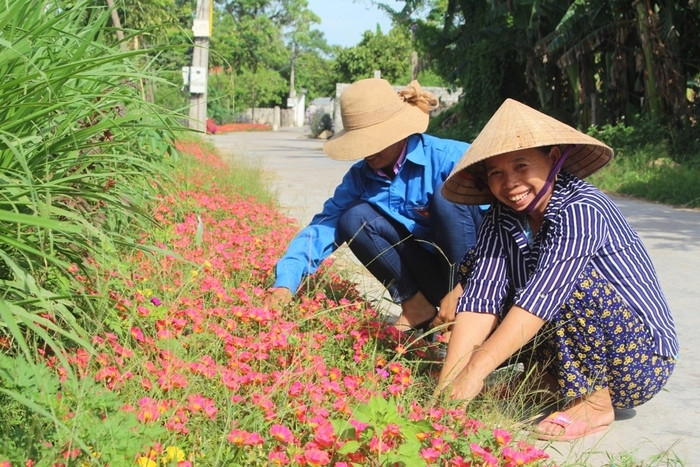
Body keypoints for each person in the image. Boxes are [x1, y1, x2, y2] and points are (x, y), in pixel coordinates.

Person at [435, 98, 678, 441]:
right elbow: (481, 299)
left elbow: (543, 297)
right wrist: (447, 389)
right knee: (478, 271)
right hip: (563, 346)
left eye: (521, 166)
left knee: (566, 283)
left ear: (552, 160)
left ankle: (594, 402)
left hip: (636, 360)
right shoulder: (500, 217)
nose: (511, 184)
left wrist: (475, 371)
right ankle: (548, 380)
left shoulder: (582, 208)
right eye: (497, 174)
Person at [263, 78, 487, 332]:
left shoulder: (451, 158)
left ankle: (465, 316)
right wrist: (285, 282)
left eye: (373, 139)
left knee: (447, 197)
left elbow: (502, 227)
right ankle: (417, 308)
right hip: (433, 277)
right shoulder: (360, 177)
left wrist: (465, 287)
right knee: (353, 217)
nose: (367, 151)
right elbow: (323, 228)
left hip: (480, 279)